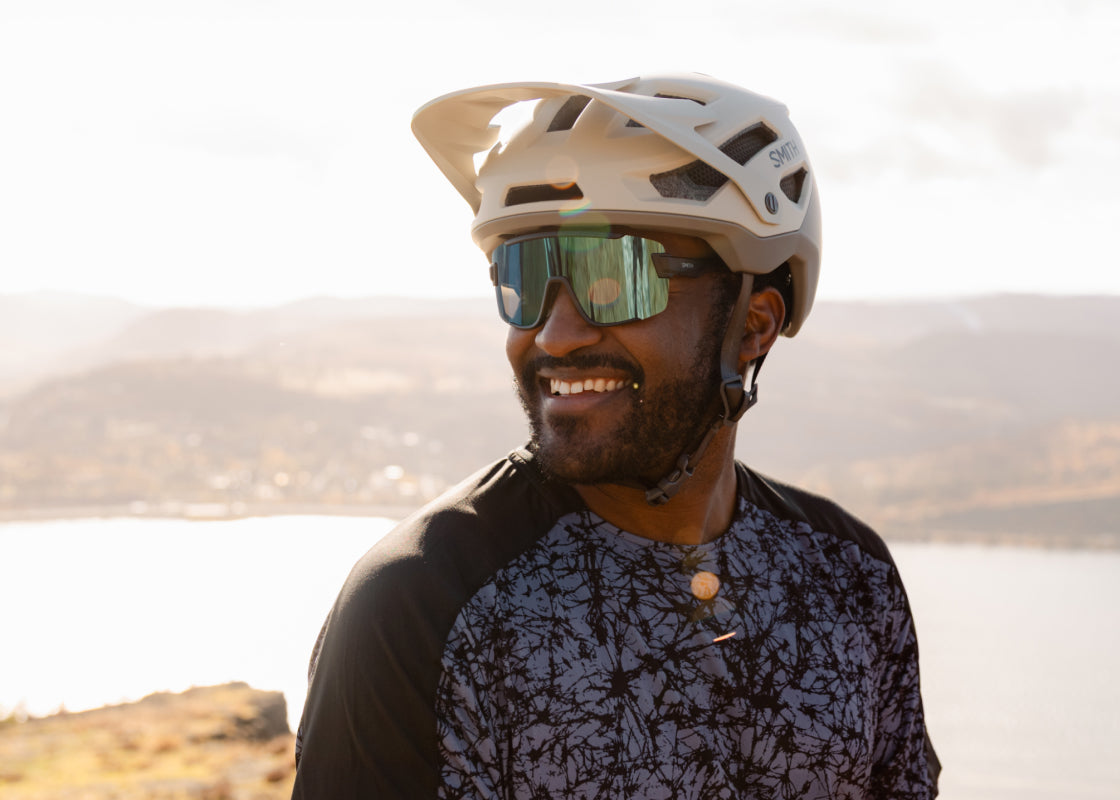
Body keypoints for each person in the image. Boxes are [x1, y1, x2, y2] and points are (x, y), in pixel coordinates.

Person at [291, 73, 940, 799]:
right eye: (523, 276)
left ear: (753, 323)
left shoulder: (849, 578)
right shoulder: (422, 604)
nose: (555, 335)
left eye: (614, 275)